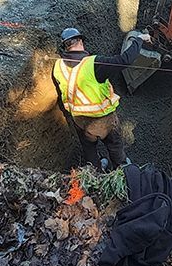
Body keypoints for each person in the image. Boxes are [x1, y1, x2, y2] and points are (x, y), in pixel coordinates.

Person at [52, 27, 151, 170]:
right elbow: (124, 60)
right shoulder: (93, 64)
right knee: (115, 145)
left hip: (79, 120)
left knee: (89, 150)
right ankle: (122, 168)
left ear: (65, 46)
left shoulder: (58, 65)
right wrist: (139, 40)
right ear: (80, 41)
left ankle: (96, 172)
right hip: (102, 119)